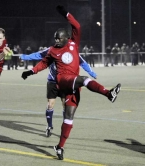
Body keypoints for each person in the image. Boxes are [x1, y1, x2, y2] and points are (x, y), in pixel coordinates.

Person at [21, 6, 121, 160]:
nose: (56, 41)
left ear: (66, 37)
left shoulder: (74, 44)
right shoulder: (53, 50)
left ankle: (59, 147)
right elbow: (43, 63)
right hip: (63, 80)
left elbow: (77, 26)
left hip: (73, 85)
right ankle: (109, 94)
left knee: (69, 117)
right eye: (55, 39)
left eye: (58, 38)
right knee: (84, 80)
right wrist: (30, 72)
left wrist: (65, 14)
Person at [20, 47, 97, 137]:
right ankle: (49, 126)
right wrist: (24, 57)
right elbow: (38, 55)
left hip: (64, 82)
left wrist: (91, 72)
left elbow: (83, 62)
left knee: (65, 105)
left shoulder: (72, 51)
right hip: (52, 81)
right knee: (50, 104)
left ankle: (64, 128)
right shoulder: (51, 50)